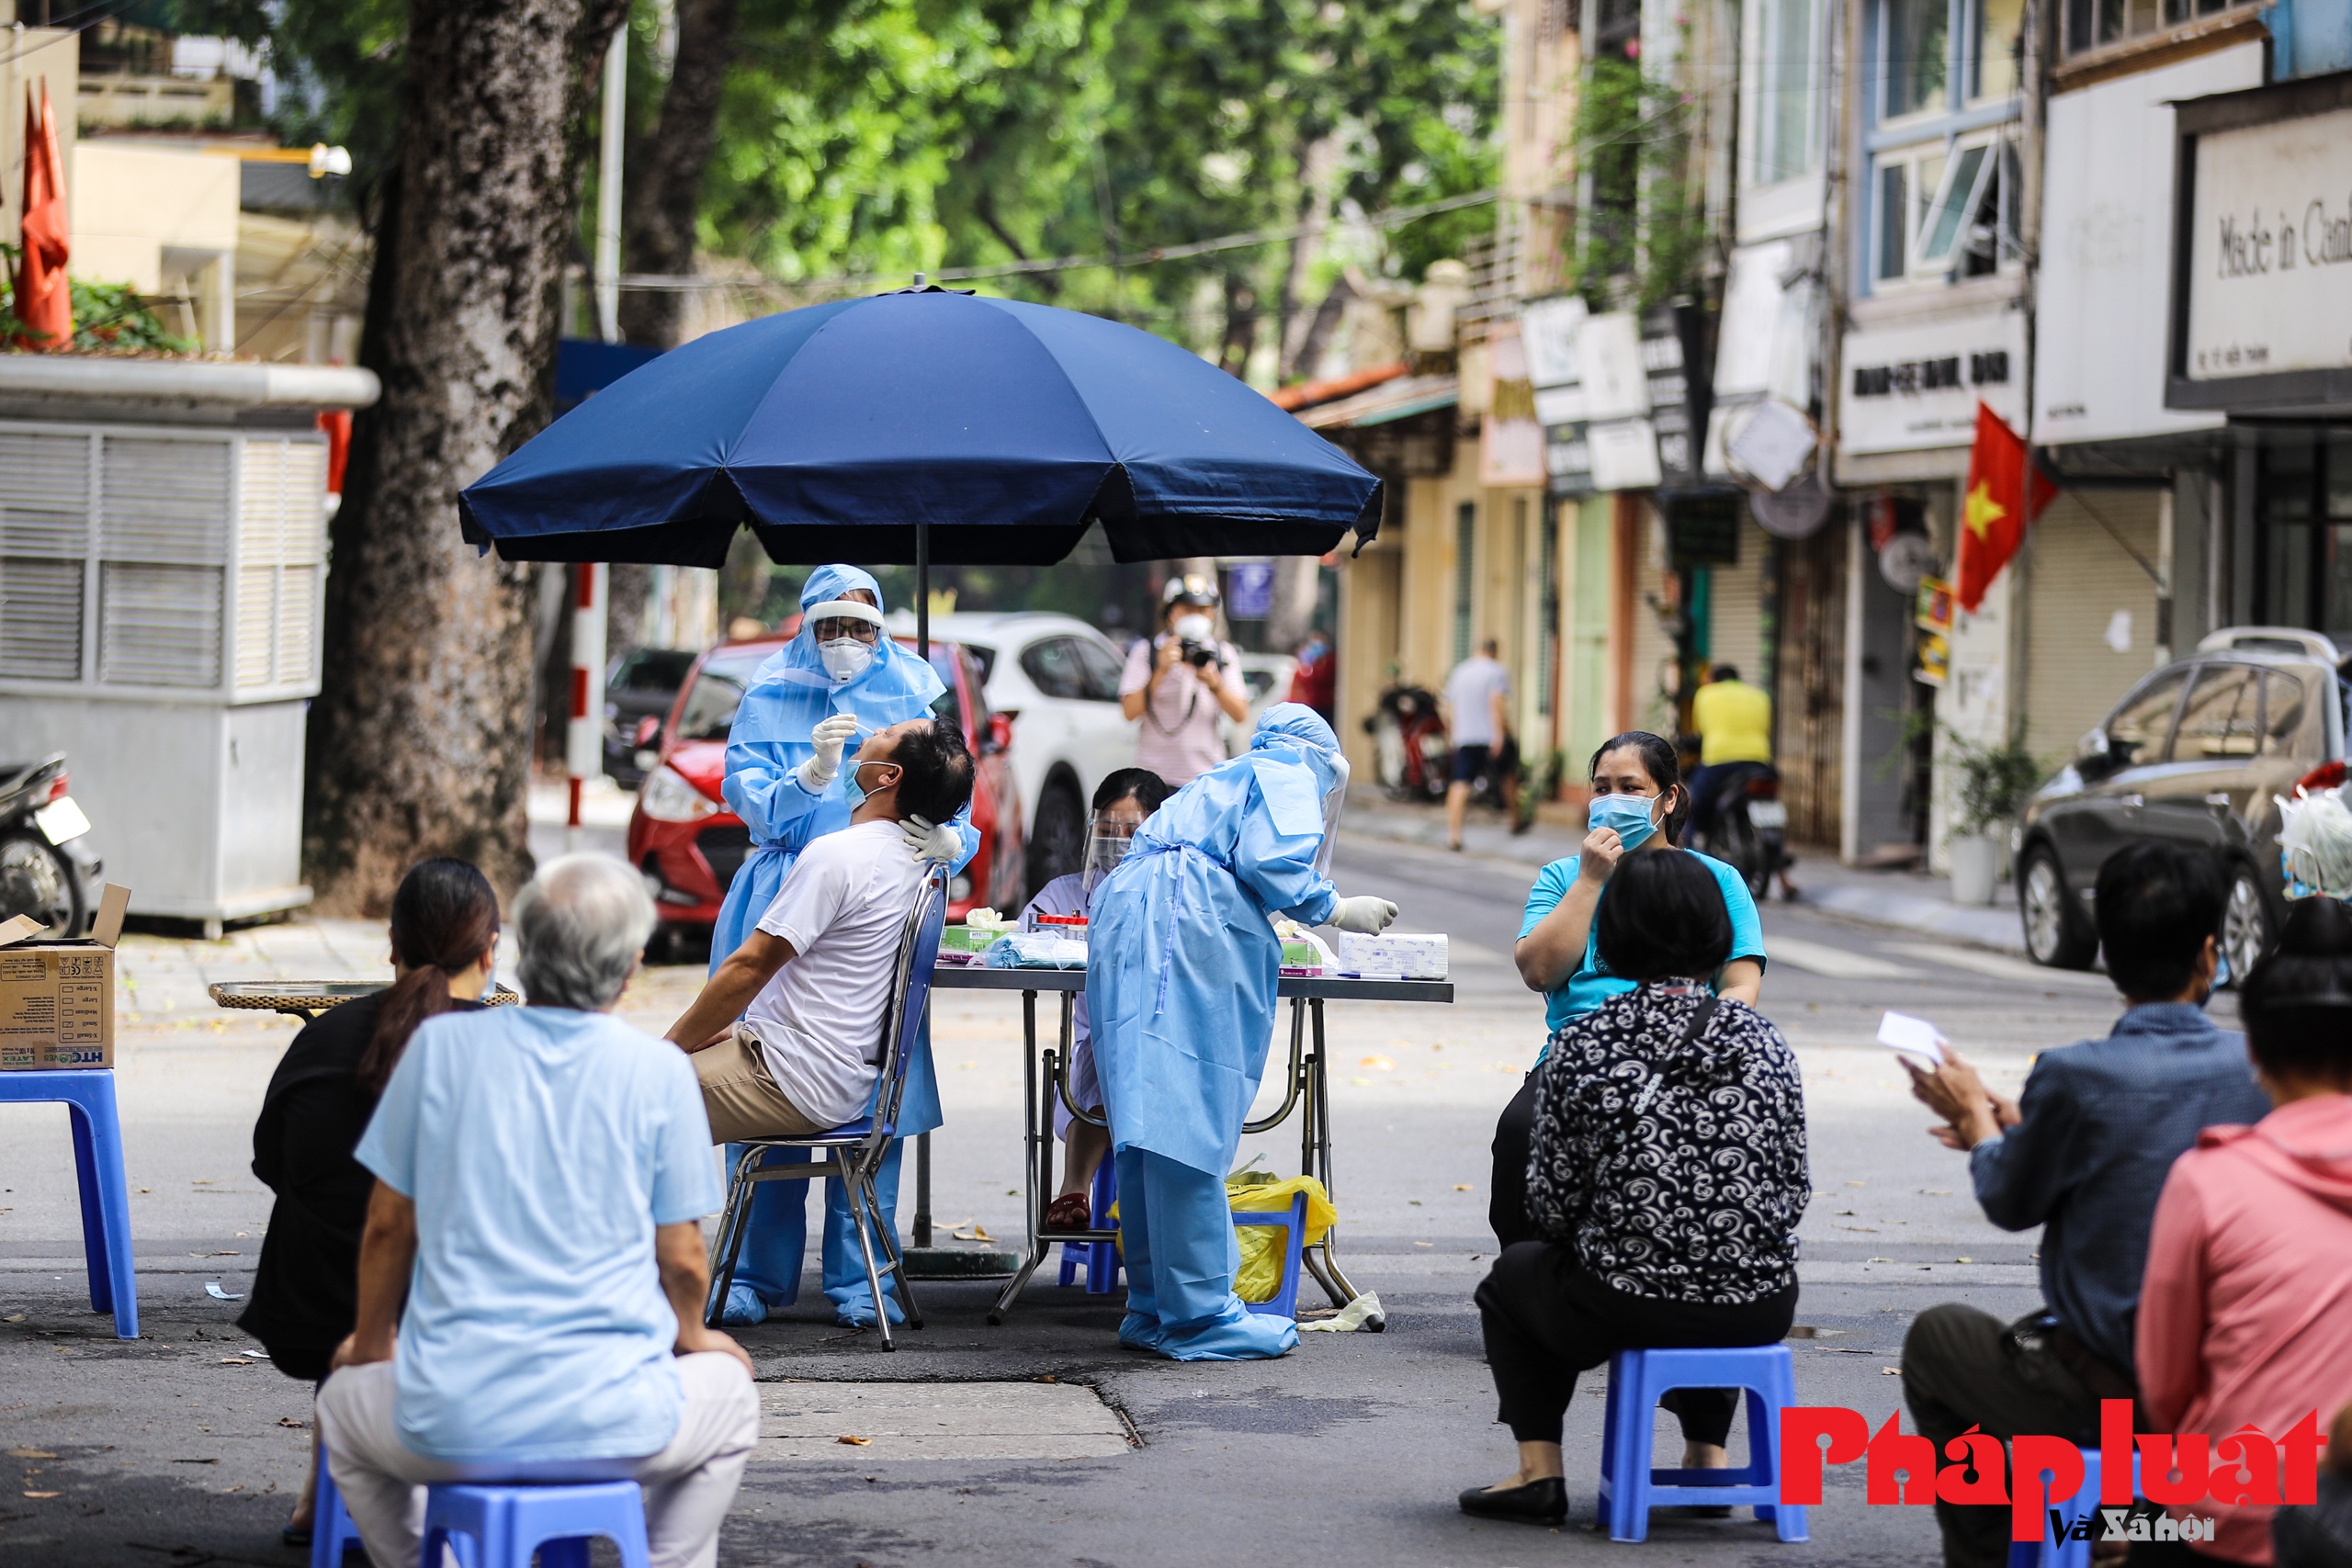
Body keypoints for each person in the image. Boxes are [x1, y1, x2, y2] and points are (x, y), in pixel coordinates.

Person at [316, 856, 756, 1568]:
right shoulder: (660, 1072)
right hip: (619, 1419)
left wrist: (370, 1342)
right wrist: (695, 1335)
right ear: (630, 967)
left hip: (452, 1420)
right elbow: (680, 1256)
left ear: (518, 951)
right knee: (732, 1397)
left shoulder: (438, 1048)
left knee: (342, 1406)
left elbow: (389, 1225)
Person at [1899, 840, 2271, 1568]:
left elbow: (2010, 1198)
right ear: (2210, 954)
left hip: (2109, 1393)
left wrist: (1980, 1123)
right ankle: (2122, 1530)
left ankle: (2024, 1547)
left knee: (1937, 1339)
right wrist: (2014, 1123)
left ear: (2107, 955)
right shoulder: (2259, 1068)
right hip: (2236, 1384)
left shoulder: (2073, 1075)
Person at [1461, 850, 1808, 1525]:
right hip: (1760, 1303)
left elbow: (1550, 1209)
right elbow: (1790, 1191)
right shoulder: (1765, 1043)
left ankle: (1539, 1471)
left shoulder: (1586, 1042)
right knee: (1716, 1250)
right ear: (1715, 935)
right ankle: (1706, 1454)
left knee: (1513, 1275)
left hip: (1621, 1301)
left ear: (1611, 933)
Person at [709, 564, 978, 1328]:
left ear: (883, 628)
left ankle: (864, 1278)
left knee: (873, 1082)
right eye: (829, 625)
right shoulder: (765, 696)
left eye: (860, 626)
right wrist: (808, 776)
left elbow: (958, 801)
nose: (845, 641)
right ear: (804, 626)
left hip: (878, 906)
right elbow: (755, 809)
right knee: (765, 1078)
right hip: (784, 895)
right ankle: (755, 1277)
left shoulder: (914, 700)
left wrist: (950, 839)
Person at [1088, 704, 1398, 1359]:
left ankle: (1152, 1305)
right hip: (1183, 927)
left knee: (1145, 1131)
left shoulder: (1222, 777)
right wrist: (1334, 906)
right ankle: (1201, 1315)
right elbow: (1270, 859)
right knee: (1186, 1124)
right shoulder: (1289, 770)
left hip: (1136, 918)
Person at [240, 859, 499, 1549]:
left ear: (391, 946)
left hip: (314, 1309)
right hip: (466, 1322)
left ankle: (321, 1493)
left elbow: (272, 1162)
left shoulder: (320, 1039)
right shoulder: (508, 1052)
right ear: (490, 950)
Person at [2136, 895, 2352, 1566]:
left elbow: (2165, 1390)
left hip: (2227, 1518)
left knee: (2114, 1526)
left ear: (2253, 1049)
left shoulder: (2207, 1180)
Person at [1500, 732, 1767, 1247]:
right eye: (1602, 788)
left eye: (1630, 786)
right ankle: (1533, 1264)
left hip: (1685, 1052)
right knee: (1521, 1132)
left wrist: (1694, 1047)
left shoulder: (1715, 879)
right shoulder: (1564, 877)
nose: (1612, 799)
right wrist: (1590, 881)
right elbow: (1538, 971)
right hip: (1576, 1055)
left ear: (1667, 798)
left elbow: (1739, 986)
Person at [666, 717, 976, 1145]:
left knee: (629, 1102)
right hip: (824, 1066)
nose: (867, 736)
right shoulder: (919, 863)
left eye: (884, 735)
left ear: (889, 776)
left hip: (792, 1073)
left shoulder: (839, 855)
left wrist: (667, 1052)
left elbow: (750, 967)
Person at [1019, 766, 1172, 1230]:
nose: (1118, 841)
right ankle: (1074, 1192)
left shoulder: (1175, 893)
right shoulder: (1065, 895)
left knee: (1125, 1061)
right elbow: (1021, 944)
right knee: (1103, 1063)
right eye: (1107, 830)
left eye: (1132, 831)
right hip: (1097, 1043)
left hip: (1165, 1039)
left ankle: (1128, 1205)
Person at [1120, 573, 1250, 785]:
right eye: (1188, 610)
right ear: (1170, 612)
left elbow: (1240, 714)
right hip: (1152, 777)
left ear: (1213, 614)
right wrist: (1160, 672)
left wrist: (1214, 684)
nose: (1196, 617)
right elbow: (1129, 712)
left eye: (1203, 610)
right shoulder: (1147, 651)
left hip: (1204, 776)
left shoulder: (1222, 654)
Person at [1443, 637, 1516, 851]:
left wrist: (1453, 733)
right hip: (1488, 737)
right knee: (1507, 775)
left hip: (1464, 736)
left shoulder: (1459, 671)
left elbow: (1448, 707)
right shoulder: (1496, 671)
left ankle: (1453, 834)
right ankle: (1514, 819)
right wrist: (1500, 735)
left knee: (1460, 782)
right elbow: (1496, 704)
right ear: (1494, 652)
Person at [1288, 630, 1336, 723]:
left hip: (1325, 706)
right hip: (1313, 705)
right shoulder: (1315, 663)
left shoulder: (1330, 662)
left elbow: (1319, 679)